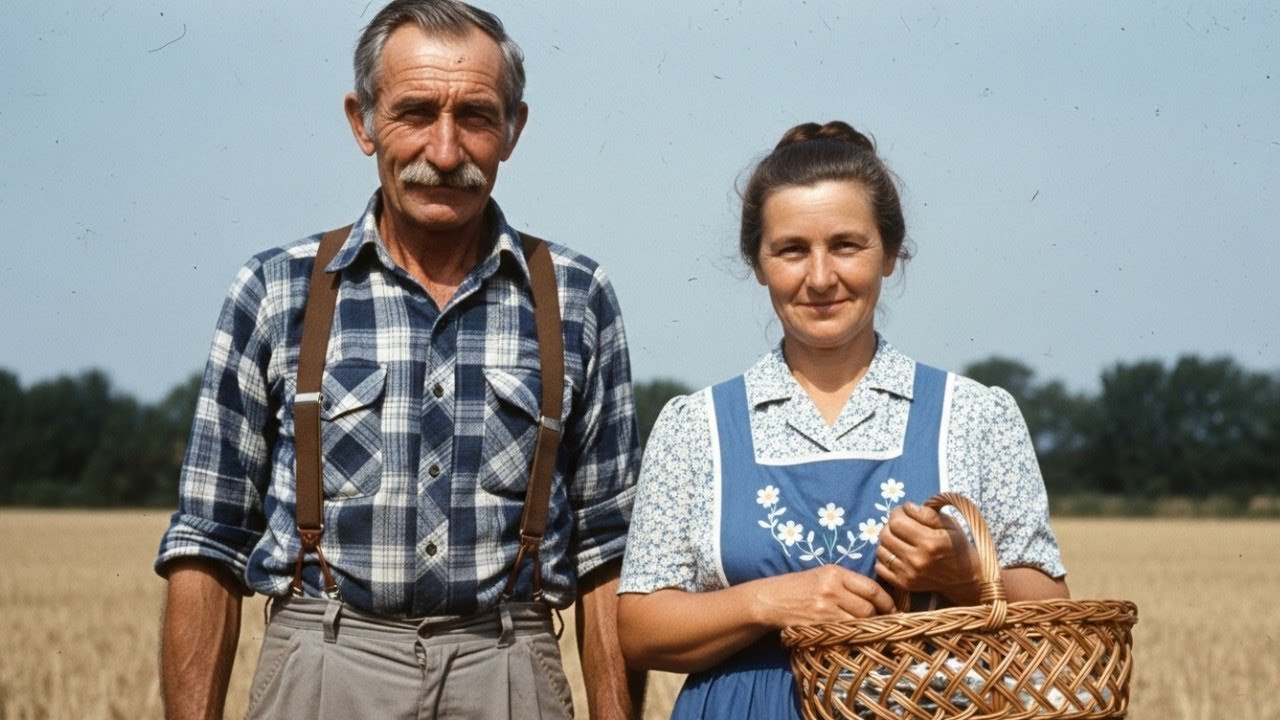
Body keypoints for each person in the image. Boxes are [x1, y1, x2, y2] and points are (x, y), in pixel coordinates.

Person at [155, 2, 644, 718]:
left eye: (475, 117)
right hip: (323, 667)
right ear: (362, 122)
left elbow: (609, 550)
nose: (444, 152)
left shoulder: (576, 297)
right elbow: (209, 539)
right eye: (415, 113)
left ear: (513, 129)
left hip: (509, 668)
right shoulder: (277, 290)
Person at [616, 121, 1070, 719]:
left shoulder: (978, 416)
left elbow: (1056, 619)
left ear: (890, 253)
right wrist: (768, 602)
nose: (821, 277)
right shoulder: (693, 428)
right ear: (758, 263)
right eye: (792, 250)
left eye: (846, 245)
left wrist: (965, 574)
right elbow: (640, 629)